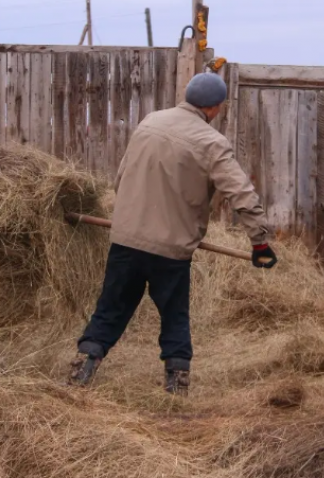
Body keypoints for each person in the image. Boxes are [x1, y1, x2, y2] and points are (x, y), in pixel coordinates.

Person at [68, 72, 277, 395]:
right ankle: (177, 381)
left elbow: (121, 178)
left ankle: (85, 364)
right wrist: (260, 243)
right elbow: (243, 196)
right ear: (215, 107)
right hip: (170, 249)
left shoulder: (150, 122)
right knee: (174, 315)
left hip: (127, 238)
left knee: (110, 307)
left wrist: (131, 219)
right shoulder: (212, 143)